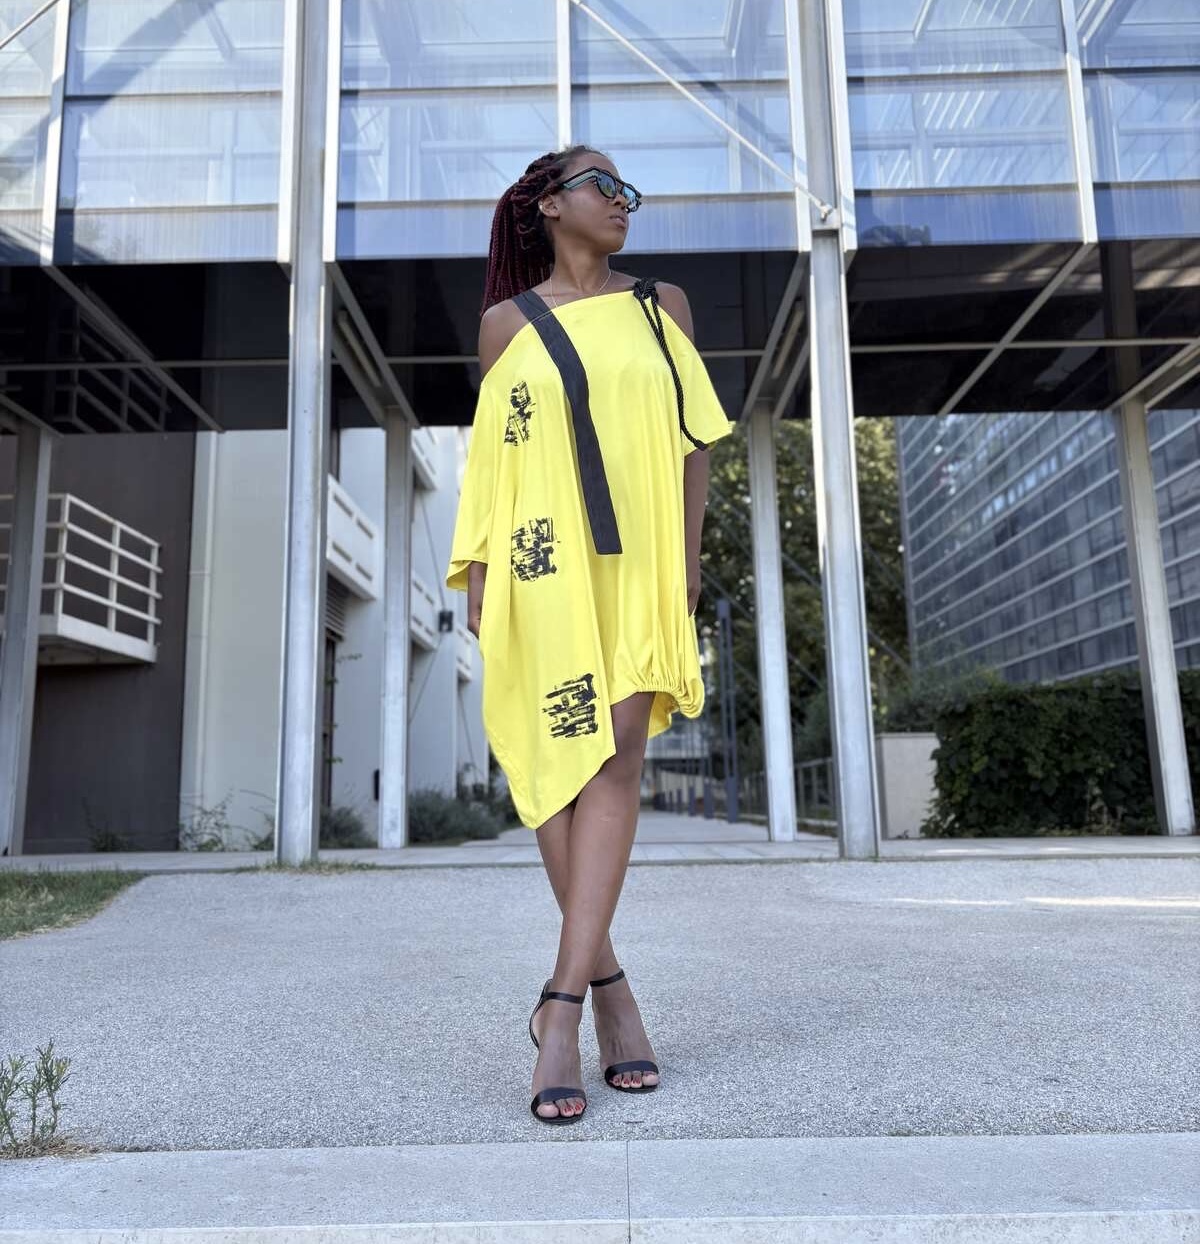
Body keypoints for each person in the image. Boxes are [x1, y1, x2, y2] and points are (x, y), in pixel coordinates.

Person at [445, 145, 734, 1124]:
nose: (621, 202)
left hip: (637, 566)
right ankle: (611, 992)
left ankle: (560, 1010)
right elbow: (492, 459)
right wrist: (480, 571)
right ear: (548, 206)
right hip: (540, 568)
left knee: (616, 754)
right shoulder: (505, 325)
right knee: (554, 770)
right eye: (603, 186)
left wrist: (686, 561)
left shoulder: (662, 306)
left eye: (627, 190)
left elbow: (694, 440)